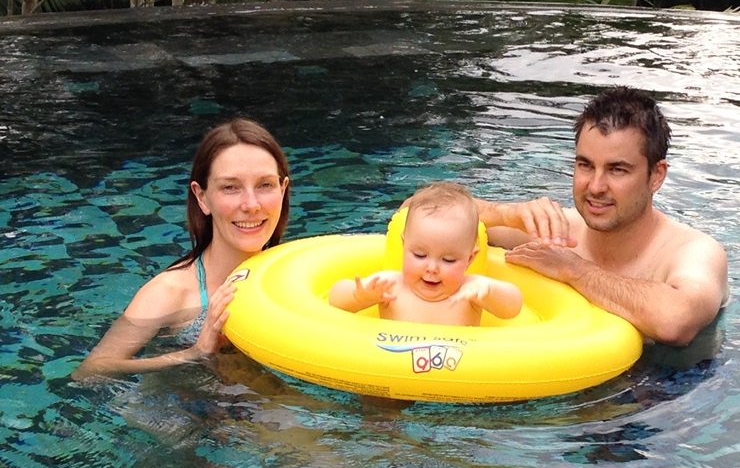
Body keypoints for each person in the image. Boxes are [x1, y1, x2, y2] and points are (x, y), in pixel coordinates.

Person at [475, 86, 729, 346]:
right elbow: (437, 213)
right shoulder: (556, 230)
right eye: (585, 165)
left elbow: (676, 320)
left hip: (675, 382)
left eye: (617, 170)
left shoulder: (695, 251)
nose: (595, 187)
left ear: (656, 176)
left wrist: (574, 269)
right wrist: (505, 214)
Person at [74, 118, 291, 380]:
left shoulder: (295, 279)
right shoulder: (171, 291)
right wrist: (194, 353)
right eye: (230, 187)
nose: (251, 204)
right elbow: (92, 370)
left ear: (283, 189)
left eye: (265, 185)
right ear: (202, 197)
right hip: (190, 412)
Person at [328, 182, 522, 326]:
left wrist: (489, 292)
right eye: (420, 255)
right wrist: (360, 296)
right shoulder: (390, 285)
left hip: (459, 375)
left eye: (448, 260)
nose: (432, 268)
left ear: (470, 258)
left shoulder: (471, 290)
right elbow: (335, 297)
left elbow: (513, 307)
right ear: (404, 246)